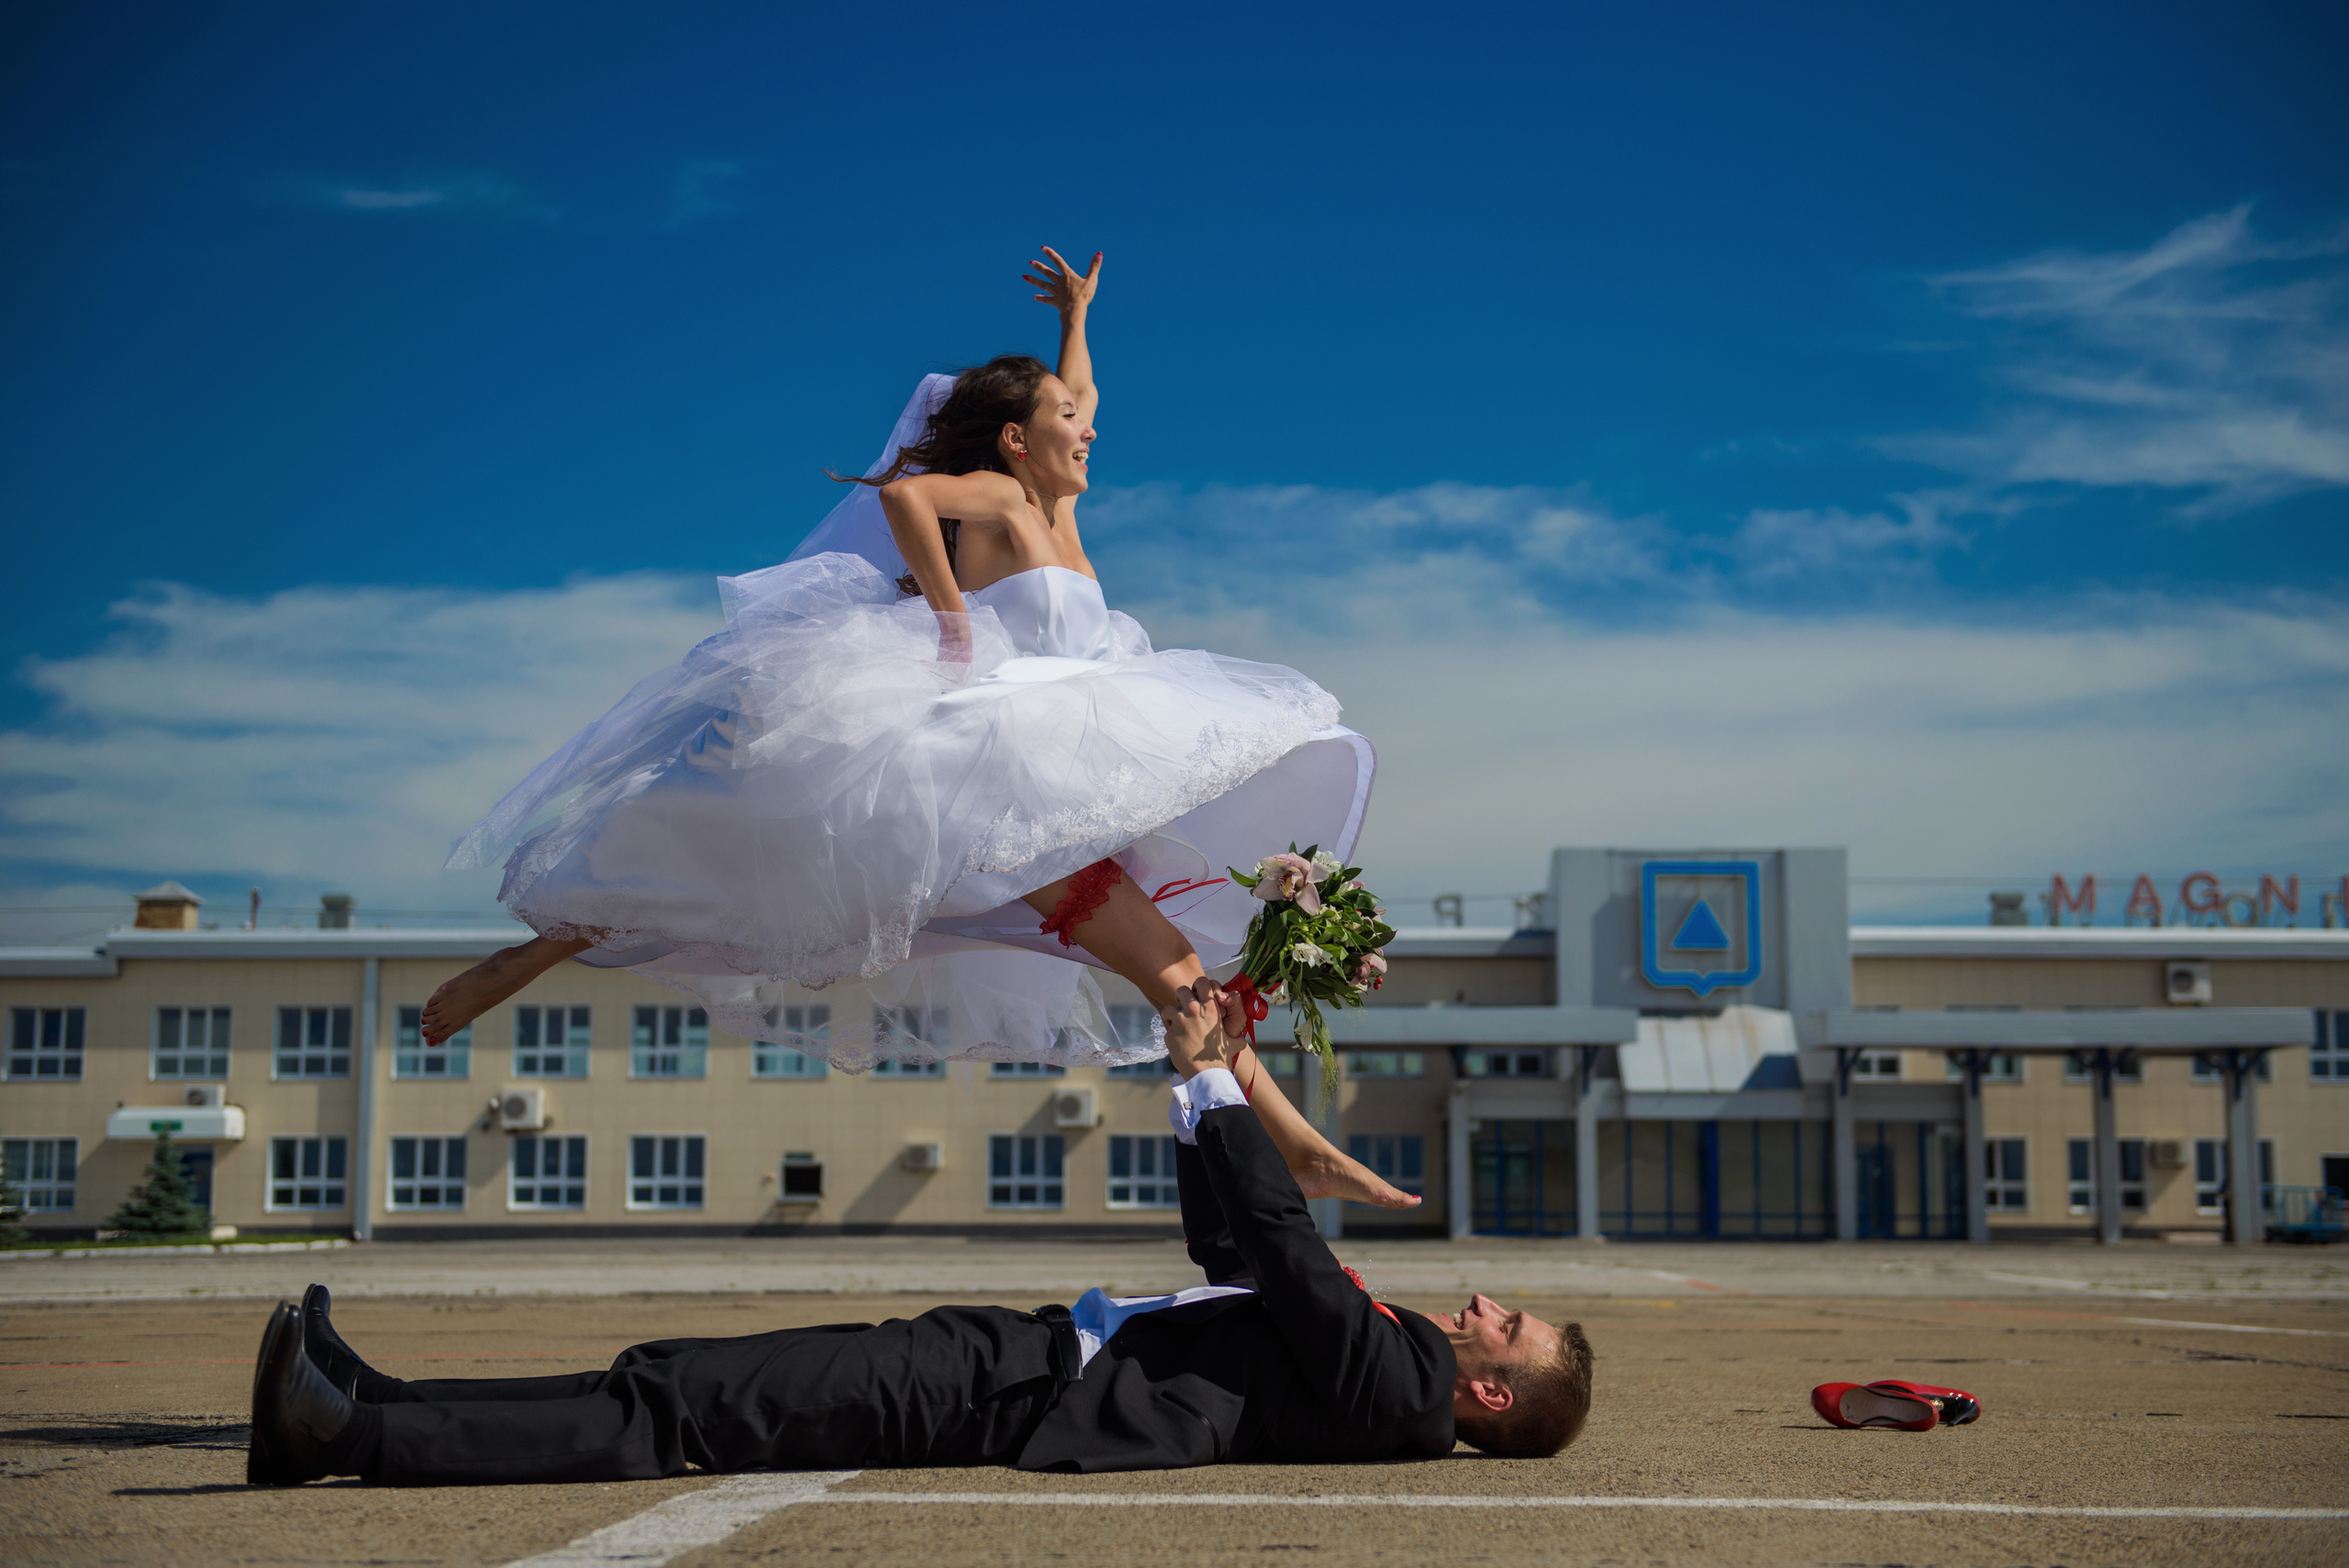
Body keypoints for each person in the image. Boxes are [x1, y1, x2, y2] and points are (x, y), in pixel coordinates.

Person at [421, 248, 1408, 1207]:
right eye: (1066, 420)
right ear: (1018, 441)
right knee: (1176, 973)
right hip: (1016, 784)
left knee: (1193, 970)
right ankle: (1299, 1151)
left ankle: (1298, 1149)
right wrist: (948, 614)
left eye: (1081, 414)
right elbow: (904, 494)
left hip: (1086, 777)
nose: (1090, 428)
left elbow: (1082, 395)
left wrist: (1075, 322)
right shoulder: (1010, 496)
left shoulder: (1055, 497)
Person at [245, 992, 1593, 1486]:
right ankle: (369, 1397)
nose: (1487, 1303)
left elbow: (1291, 1258)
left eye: (1510, 1326)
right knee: (675, 1372)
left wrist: (1213, 1085)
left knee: (693, 1405)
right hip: (1015, 1357)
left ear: (1490, 1390)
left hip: (1012, 1389)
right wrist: (1199, 1106)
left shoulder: (1406, 1389)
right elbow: (1239, 1264)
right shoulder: (1390, 1371)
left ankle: (351, 1439)